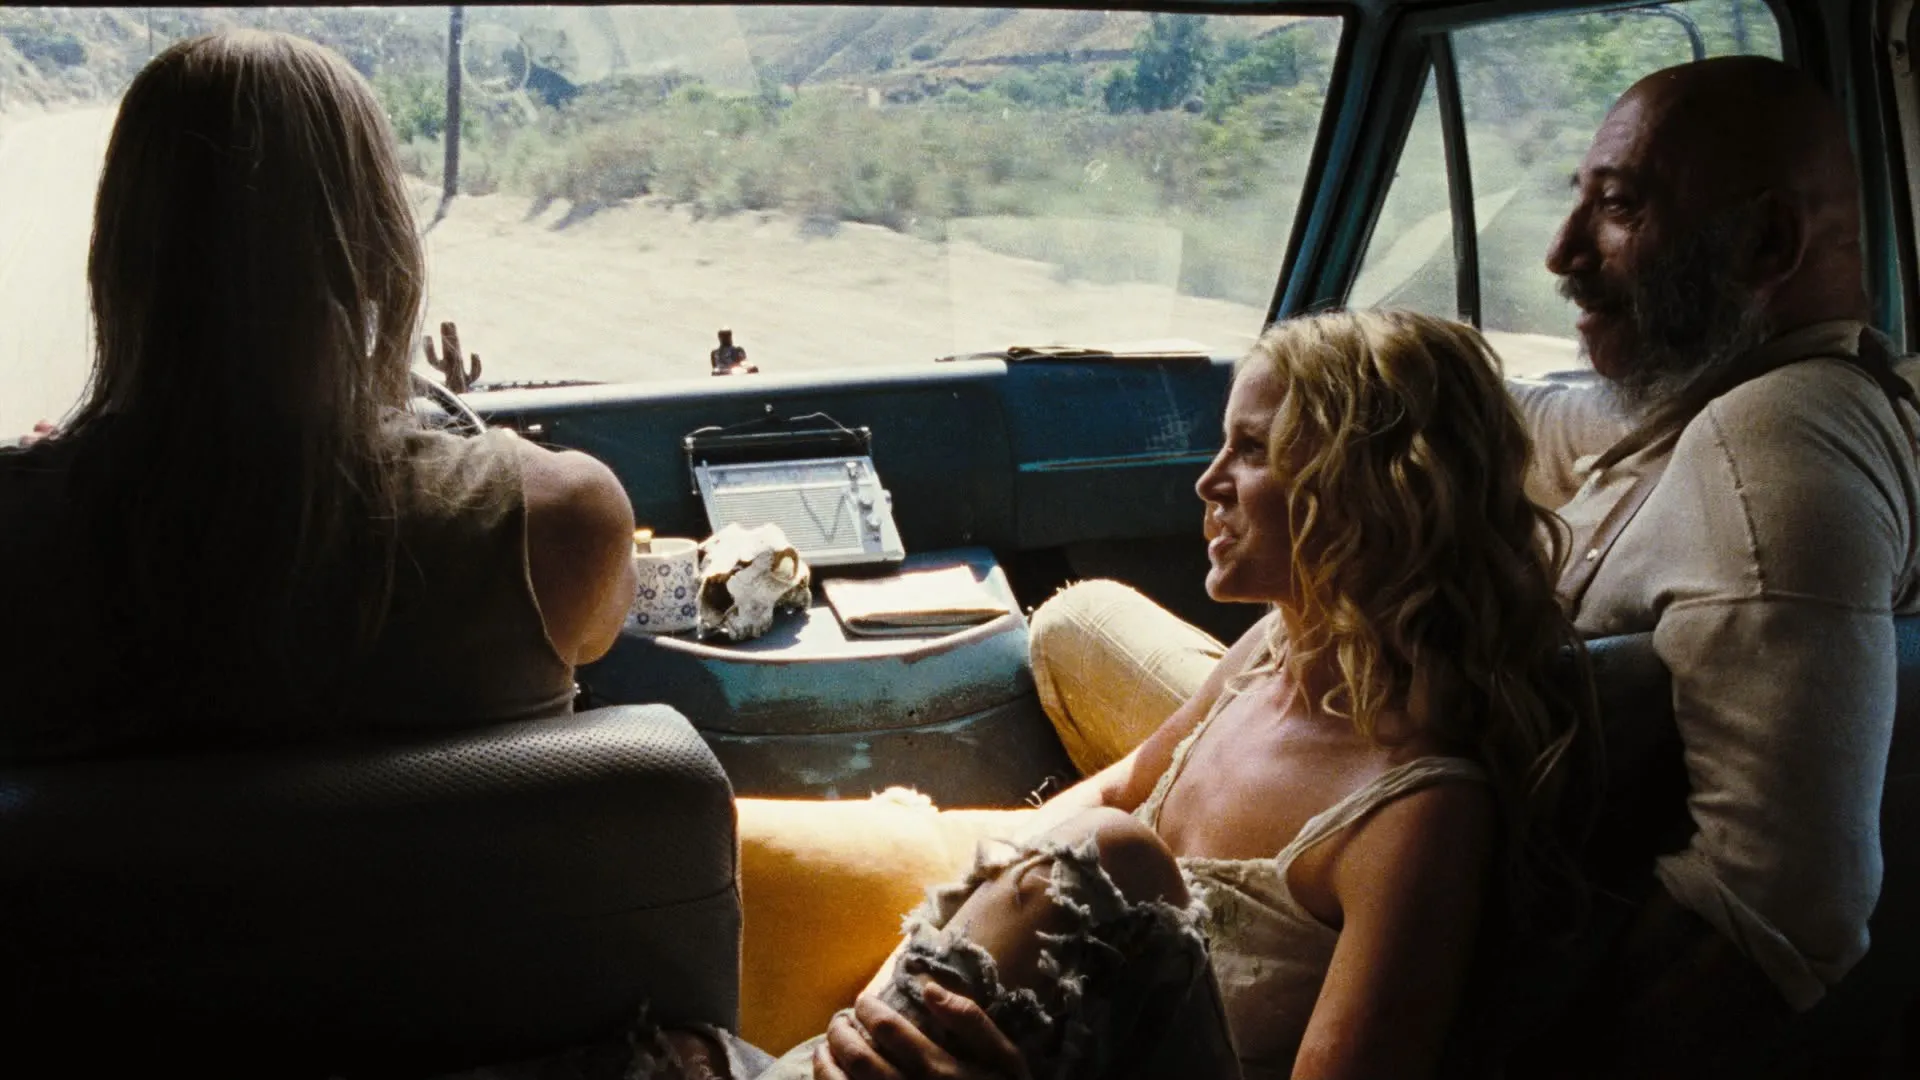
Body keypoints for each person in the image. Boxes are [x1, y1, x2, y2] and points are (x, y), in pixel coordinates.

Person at [1028, 55, 1920, 1077]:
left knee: (1080, 628)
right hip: (1387, 710)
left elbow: (1786, 914)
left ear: (1766, 243)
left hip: (1386, 785)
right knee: (1137, 634)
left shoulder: (1773, 451)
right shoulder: (1715, 398)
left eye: (1619, 208)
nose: (1560, 251)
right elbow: (1494, 420)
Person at [764, 309, 1597, 1080]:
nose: (1208, 481)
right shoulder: (1273, 652)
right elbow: (1119, 789)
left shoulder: (1419, 814)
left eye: (1252, 449)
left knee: (1112, 854)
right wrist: (900, 973)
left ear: (1373, 489)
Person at [0, 31, 637, 762]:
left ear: (118, 259)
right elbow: (599, 636)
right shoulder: (560, 520)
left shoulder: (17, 532)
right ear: (380, 250)